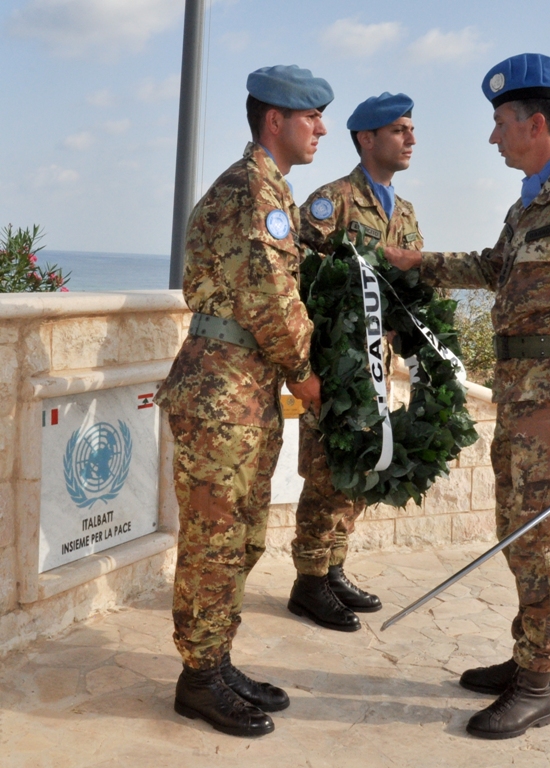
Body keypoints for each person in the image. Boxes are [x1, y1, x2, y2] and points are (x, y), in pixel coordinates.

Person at [385, 53, 550, 740]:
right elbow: (495, 265)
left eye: (499, 123)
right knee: (519, 532)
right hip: (523, 396)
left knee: (545, 540)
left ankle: (537, 685)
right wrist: (419, 264)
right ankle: (530, 658)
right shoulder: (532, 200)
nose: (491, 137)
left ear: (535, 123)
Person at [154, 64, 333, 737]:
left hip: (243, 384)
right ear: (274, 121)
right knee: (215, 537)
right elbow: (269, 299)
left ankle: (215, 658)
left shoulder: (263, 187)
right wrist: (304, 371)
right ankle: (197, 679)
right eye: (310, 116)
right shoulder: (252, 190)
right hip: (224, 387)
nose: (319, 129)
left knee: (243, 535)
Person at [287, 92, 424, 632]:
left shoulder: (405, 212)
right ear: (366, 139)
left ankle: (334, 568)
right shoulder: (332, 201)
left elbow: (411, 284)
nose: (411, 139)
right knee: (326, 473)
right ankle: (308, 582)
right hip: (336, 365)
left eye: (411, 130)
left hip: (378, 366)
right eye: (399, 130)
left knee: (364, 465)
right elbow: (294, 267)